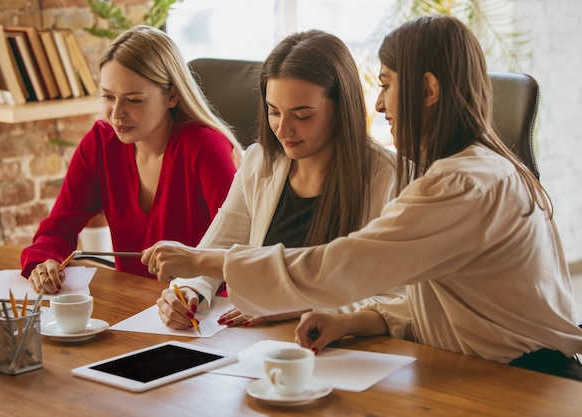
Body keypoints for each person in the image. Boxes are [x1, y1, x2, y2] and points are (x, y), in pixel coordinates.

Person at [142, 16, 582, 381]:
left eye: (387, 85)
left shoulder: (460, 184)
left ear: (427, 91)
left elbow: (343, 265)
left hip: (528, 382)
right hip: (474, 369)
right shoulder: (471, 169)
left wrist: (205, 262)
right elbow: (443, 306)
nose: (379, 105)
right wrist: (356, 320)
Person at [157, 29, 404, 330]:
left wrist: (304, 306)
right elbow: (212, 251)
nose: (283, 130)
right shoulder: (259, 162)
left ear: (341, 108)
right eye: (274, 112)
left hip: (349, 353)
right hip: (259, 347)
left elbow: (400, 300)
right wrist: (186, 292)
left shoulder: (390, 178)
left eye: (302, 116)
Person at [21, 25, 241, 294]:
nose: (116, 114)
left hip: (203, 312)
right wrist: (45, 261)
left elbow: (239, 253)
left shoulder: (206, 147)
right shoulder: (101, 144)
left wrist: (196, 296)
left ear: (172, 95)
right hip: (133, 308)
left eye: (134, 100)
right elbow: (56, 230)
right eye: (108, 97)